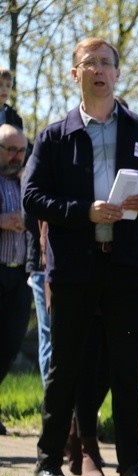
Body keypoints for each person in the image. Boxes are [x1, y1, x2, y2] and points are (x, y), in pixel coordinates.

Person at [22, 37, 138, 476]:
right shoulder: (53, 135)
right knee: (65, 368)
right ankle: (47, 464)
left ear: (118, 74)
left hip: (127, 268)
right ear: (75, 74)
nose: (100, 70)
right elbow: (32, 197)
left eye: (107, 63)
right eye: (90, 63)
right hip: (73, 271)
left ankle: (133, 473)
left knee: (127, 371)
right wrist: (84, 211)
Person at [0, 124, 31, 436]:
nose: (16, 156)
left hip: (20, 275)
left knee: (9, 345)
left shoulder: (27, 182)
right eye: (10, 149)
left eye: (21, 150)